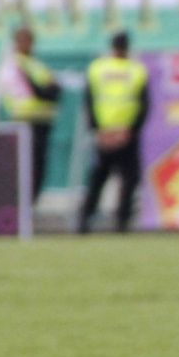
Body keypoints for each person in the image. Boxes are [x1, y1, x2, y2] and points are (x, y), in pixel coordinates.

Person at [78, 31, 148, 234]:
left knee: (104, 178)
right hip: (121, 133)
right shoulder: (135, 70)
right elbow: (144, 105)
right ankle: (116, 221)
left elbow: (89, 102)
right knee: (120, 178)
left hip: (113, 133)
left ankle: (92, 219)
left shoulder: (98, 68)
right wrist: (128, 130)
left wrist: (98, 130)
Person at [1, 26, 61, 195]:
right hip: (26, 120)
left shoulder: (34, 63)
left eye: (30, 40)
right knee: (27, 166)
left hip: (42, 120)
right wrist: (50, 89)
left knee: (38, 167)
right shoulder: (16, 63)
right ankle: (23, 203)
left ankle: (30, 203)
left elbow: (54, 90)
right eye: (24, 40)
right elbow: (43, 92)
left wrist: (51, 89)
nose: (29, 44)